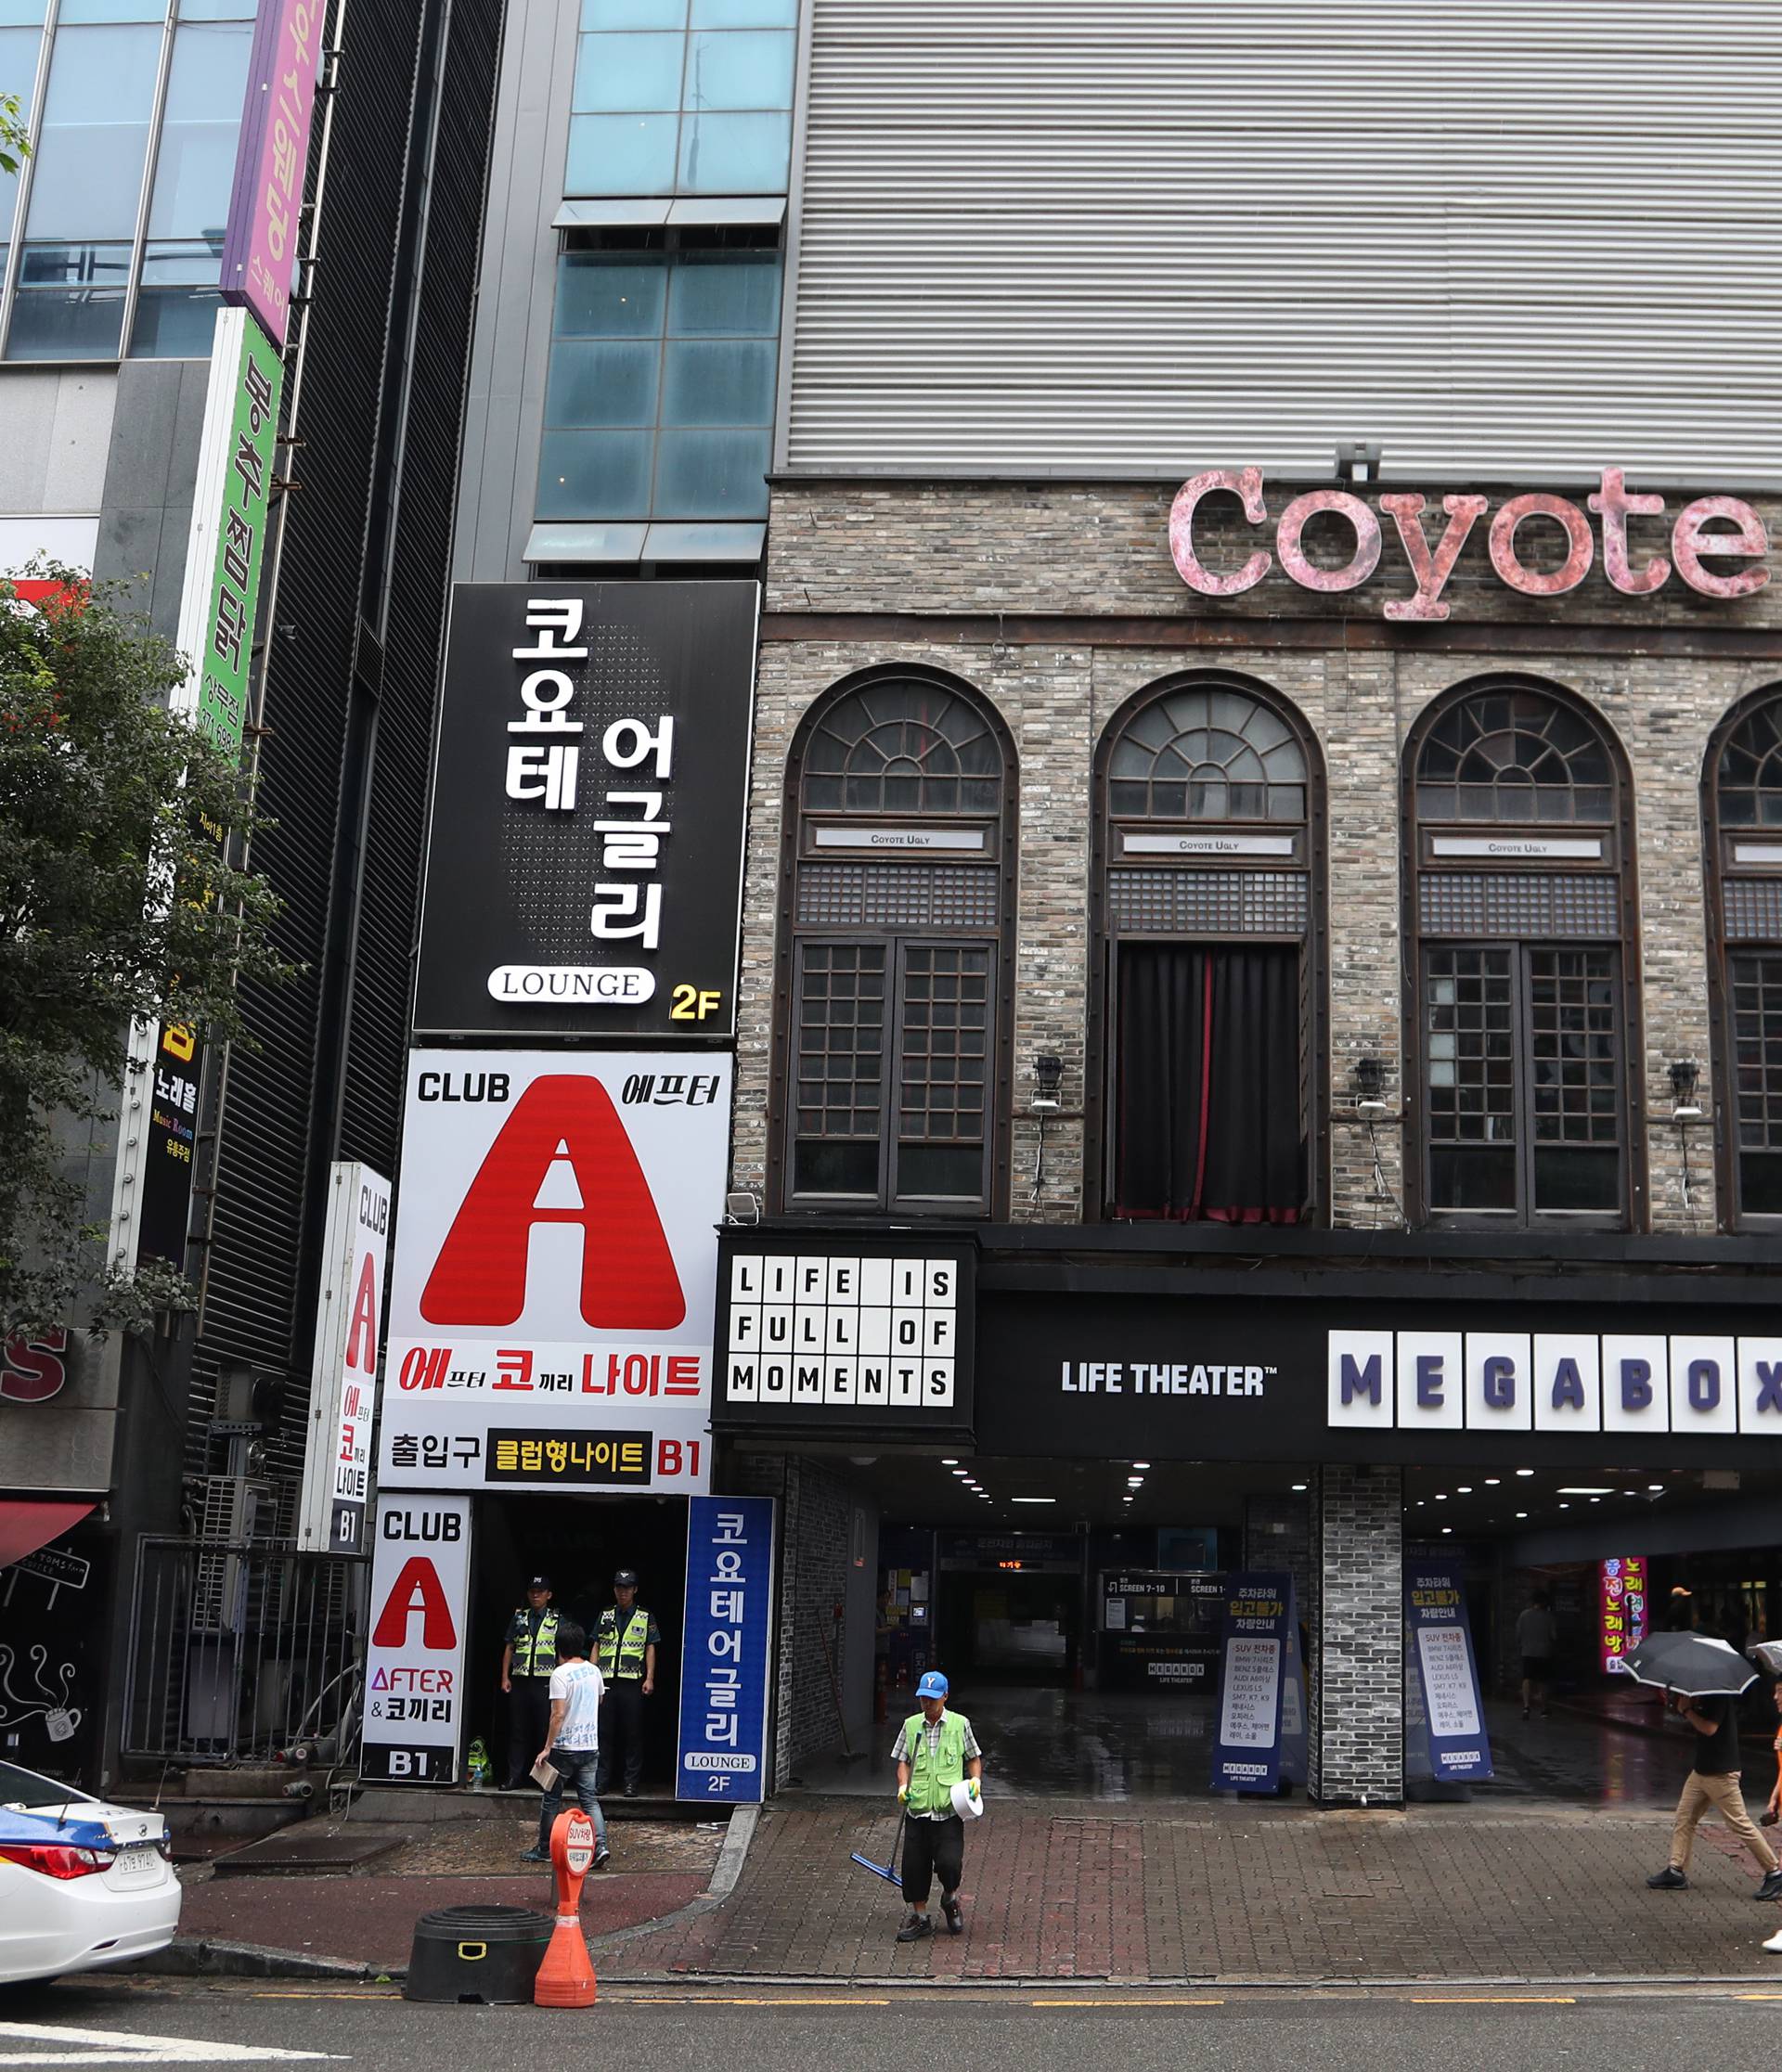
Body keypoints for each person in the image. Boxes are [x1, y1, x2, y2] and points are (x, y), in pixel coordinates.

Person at [1646, 1684, 1782, 1899]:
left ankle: (1774, 1872)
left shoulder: (1718, 1694)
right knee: (1685, 1816)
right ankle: (1676, 1870)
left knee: (1740, 1824)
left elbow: (1710, 1728)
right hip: (1702, 1771)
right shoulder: (1700, 1691)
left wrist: (1687, 1711)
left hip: (1721, 1773)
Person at [891, 1669, 983, 1944]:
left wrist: (975, 1781)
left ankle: (950, 1898)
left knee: (949, 1863)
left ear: (945, 1696)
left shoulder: (959, 1724)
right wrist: (903, 1786)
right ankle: (920, 1918)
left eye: (932, 1698)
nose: (927, 1704)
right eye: (923, 1699)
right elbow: (903, 1761)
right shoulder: (910, 1726)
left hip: (948, 1810)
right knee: (914, 1867)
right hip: (918, 1809)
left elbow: (974, 1757)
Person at [520, 1620, 609, 1870]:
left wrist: (547, 1748)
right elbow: (600, 1699)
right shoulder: (594, 1671)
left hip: (564, 1748)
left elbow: (557, 1715)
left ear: (558, 1648)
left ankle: (545, 1848)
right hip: (590, 1747)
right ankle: (600, 1846)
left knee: (551, 1799)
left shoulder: (559, 1675)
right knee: (590, 1799)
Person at [595, 1568, 661, 1797]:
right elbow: (596, 1644)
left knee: (632, 1734)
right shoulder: (605, 1615)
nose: (622, 1592)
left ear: (634, 1590)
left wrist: (649, 1678)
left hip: (632, 1682)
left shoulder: (644, 1616)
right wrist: (593, 1677)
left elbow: (650, 1646)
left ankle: (630, 1782)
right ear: (614, 1590)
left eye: (627, 1588)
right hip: (606, 1681)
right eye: (619, 1588)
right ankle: (601, 1781)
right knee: (604, 1733)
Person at [498, 1575, 559, 1790]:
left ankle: (543, 1780)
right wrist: (505, 1677)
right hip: (521, 1681)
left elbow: (561, 1654)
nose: (536, 1595)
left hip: (545, 1682)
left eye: (540, 1591)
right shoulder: (519, 1618)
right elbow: (509, 1647)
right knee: (518, 1731)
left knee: (544, 1730)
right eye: (532, 1591)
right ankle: (515, 1777)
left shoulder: (556, 1619)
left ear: (548, 1595)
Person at [1515, 1590, 1557, 1720]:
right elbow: (1554, 1636)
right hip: (1544, 1653)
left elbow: (1518, 1634)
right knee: (1543, 1681)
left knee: (1527, 1678)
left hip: (1527, 1651)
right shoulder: (1549, 1617)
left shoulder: (1523, 1615)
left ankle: (1526, 1706)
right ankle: (1544, 1709)